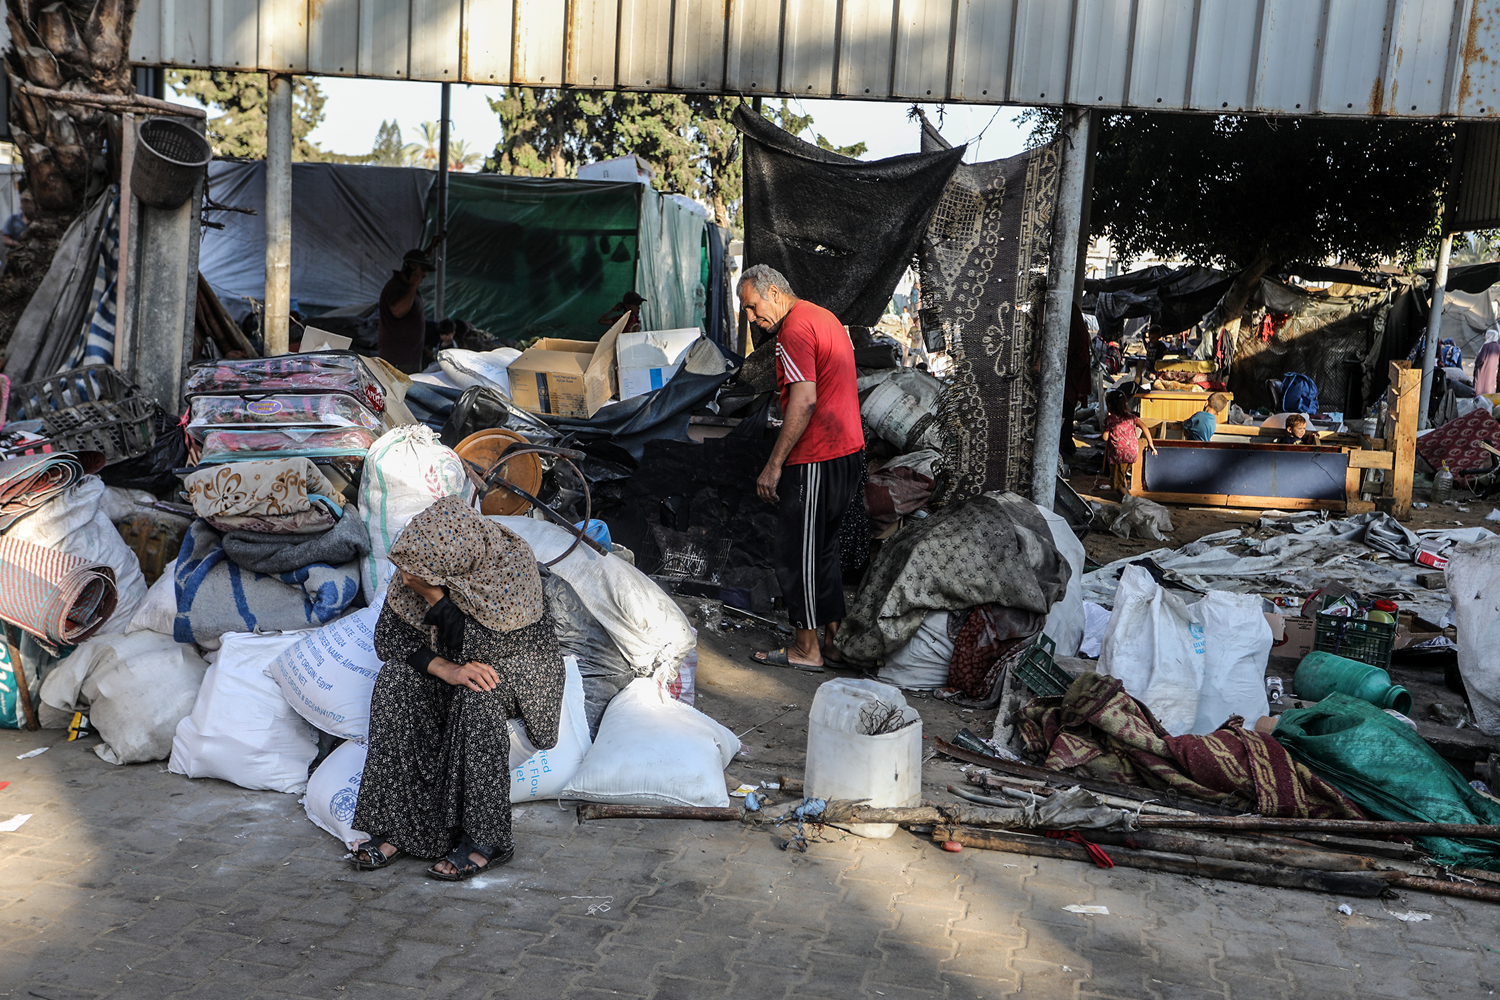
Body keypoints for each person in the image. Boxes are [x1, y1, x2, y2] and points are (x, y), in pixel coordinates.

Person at [350, 496, 564, 881]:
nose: (405, 581)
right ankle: (400, 827)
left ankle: (488, 840)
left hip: (516, 676)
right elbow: (389, 640)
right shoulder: (416, 571)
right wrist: (445, 669)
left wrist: (434, 596)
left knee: (477, 695)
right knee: (395, 681)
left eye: (418, 577)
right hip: (459, 666)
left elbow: (484, 653)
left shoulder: (510, 566)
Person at [739, 264, 863, 672]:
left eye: (754, 307)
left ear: (773, 292)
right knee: (822, 550)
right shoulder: (822, 316)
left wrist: (774, 464)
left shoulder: (793, 330)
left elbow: (805, 400)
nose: (754, 319)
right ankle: (832, 641)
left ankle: (806, 650)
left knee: (796, 554)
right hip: (847, 453)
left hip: (818, 456)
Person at [378, 248, 435, 374]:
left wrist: (433, 245)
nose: (425, 275)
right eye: (423, 270)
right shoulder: (396, 287)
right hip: (398, 362)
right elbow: (398, 311)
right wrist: (413, 285)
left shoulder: (407, 286)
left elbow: (419, 257)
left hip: (409, 359)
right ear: (411, 267)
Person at [1103, 390, 1156, 494]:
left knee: (1117, 483)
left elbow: (1105, 438)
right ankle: (1126, 497)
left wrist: (1105, 432)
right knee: (1121, 476)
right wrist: (1150, 443)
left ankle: (1128, 501)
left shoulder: (1110, 419)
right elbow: (1144, 427)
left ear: (1109, 405)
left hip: (1118, 454)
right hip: (1132, 452)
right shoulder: (1132, 417)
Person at [1476, 328, 1500, 396]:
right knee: (1490, 386)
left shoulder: (1486, 345)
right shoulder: (1498, 346)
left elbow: (1481, 359)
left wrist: (1476, 364)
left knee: (1481, 386)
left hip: (1483, 369)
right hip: (1493, 370)